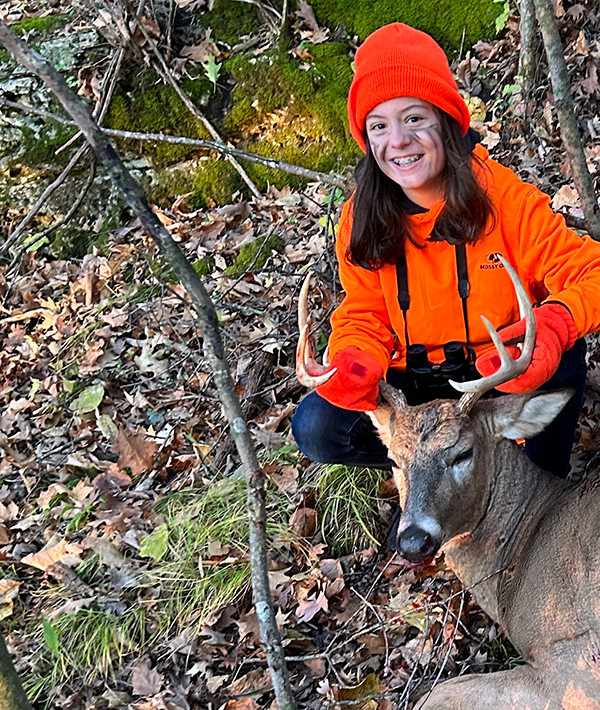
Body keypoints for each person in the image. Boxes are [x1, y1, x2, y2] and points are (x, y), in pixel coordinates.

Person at [291, 22, 600, 479]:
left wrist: (553, 327)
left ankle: (524, 479)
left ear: (446, 120)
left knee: (559, 364)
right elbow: (364, 312)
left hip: (496, 382)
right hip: (413, 391)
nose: (397, 141)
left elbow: (590, 272)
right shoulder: (363, 216)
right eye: (379, 125)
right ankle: (436, 477)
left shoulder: (504, 200)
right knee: (318, 427)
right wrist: (356, 356)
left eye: (414, 118)